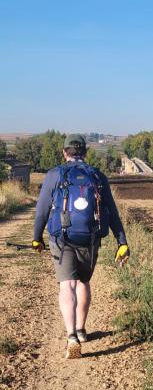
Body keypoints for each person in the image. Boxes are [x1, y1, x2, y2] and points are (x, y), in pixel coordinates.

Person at [32, 134, 130, 359]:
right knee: (83, 282)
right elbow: (112, 213)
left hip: (61, 238)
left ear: (64, 152)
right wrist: (121, 242)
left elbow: (42, 210)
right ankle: (81, 330)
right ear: (85, 152)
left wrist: (36, 237)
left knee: (67, 284)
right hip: (90, 238)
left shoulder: (54, 174)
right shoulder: (97, 176)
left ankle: (71, 336)